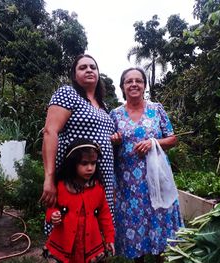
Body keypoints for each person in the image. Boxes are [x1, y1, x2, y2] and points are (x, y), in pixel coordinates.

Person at [109, 67, 184, 263]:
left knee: (158, 218)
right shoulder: (115, 115)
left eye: (138, 81)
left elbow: (172, 138)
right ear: (123, 87)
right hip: (128, 182)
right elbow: (109, 145)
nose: (134, 84)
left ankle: (160, 258)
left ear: (144, 86)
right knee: (135, 222)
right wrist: (114, 140)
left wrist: (154, 142)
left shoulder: (156, 109)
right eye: (129, 81)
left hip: (156, 179)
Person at [40, 54, 115, 234]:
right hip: (73, 176)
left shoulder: (103, 105)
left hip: (100, 178)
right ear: (74, 75)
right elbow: (50, 132)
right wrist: (49, 178)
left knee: (97, 227)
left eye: (93, 67)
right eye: (83, 67)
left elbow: (104, 137)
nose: (89, 70)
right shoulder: (68, 93)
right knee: (71, 226)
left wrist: (115, 139)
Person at [43, 138, 115, 263]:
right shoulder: (61, 186)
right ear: (72, 163)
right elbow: (51, 207)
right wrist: (53, 215)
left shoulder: (97, 187)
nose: (90, 168)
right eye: (84, 163)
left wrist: (109, 238)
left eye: (93, 163)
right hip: (64, 242)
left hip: (91, 243)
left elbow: (105, 214)